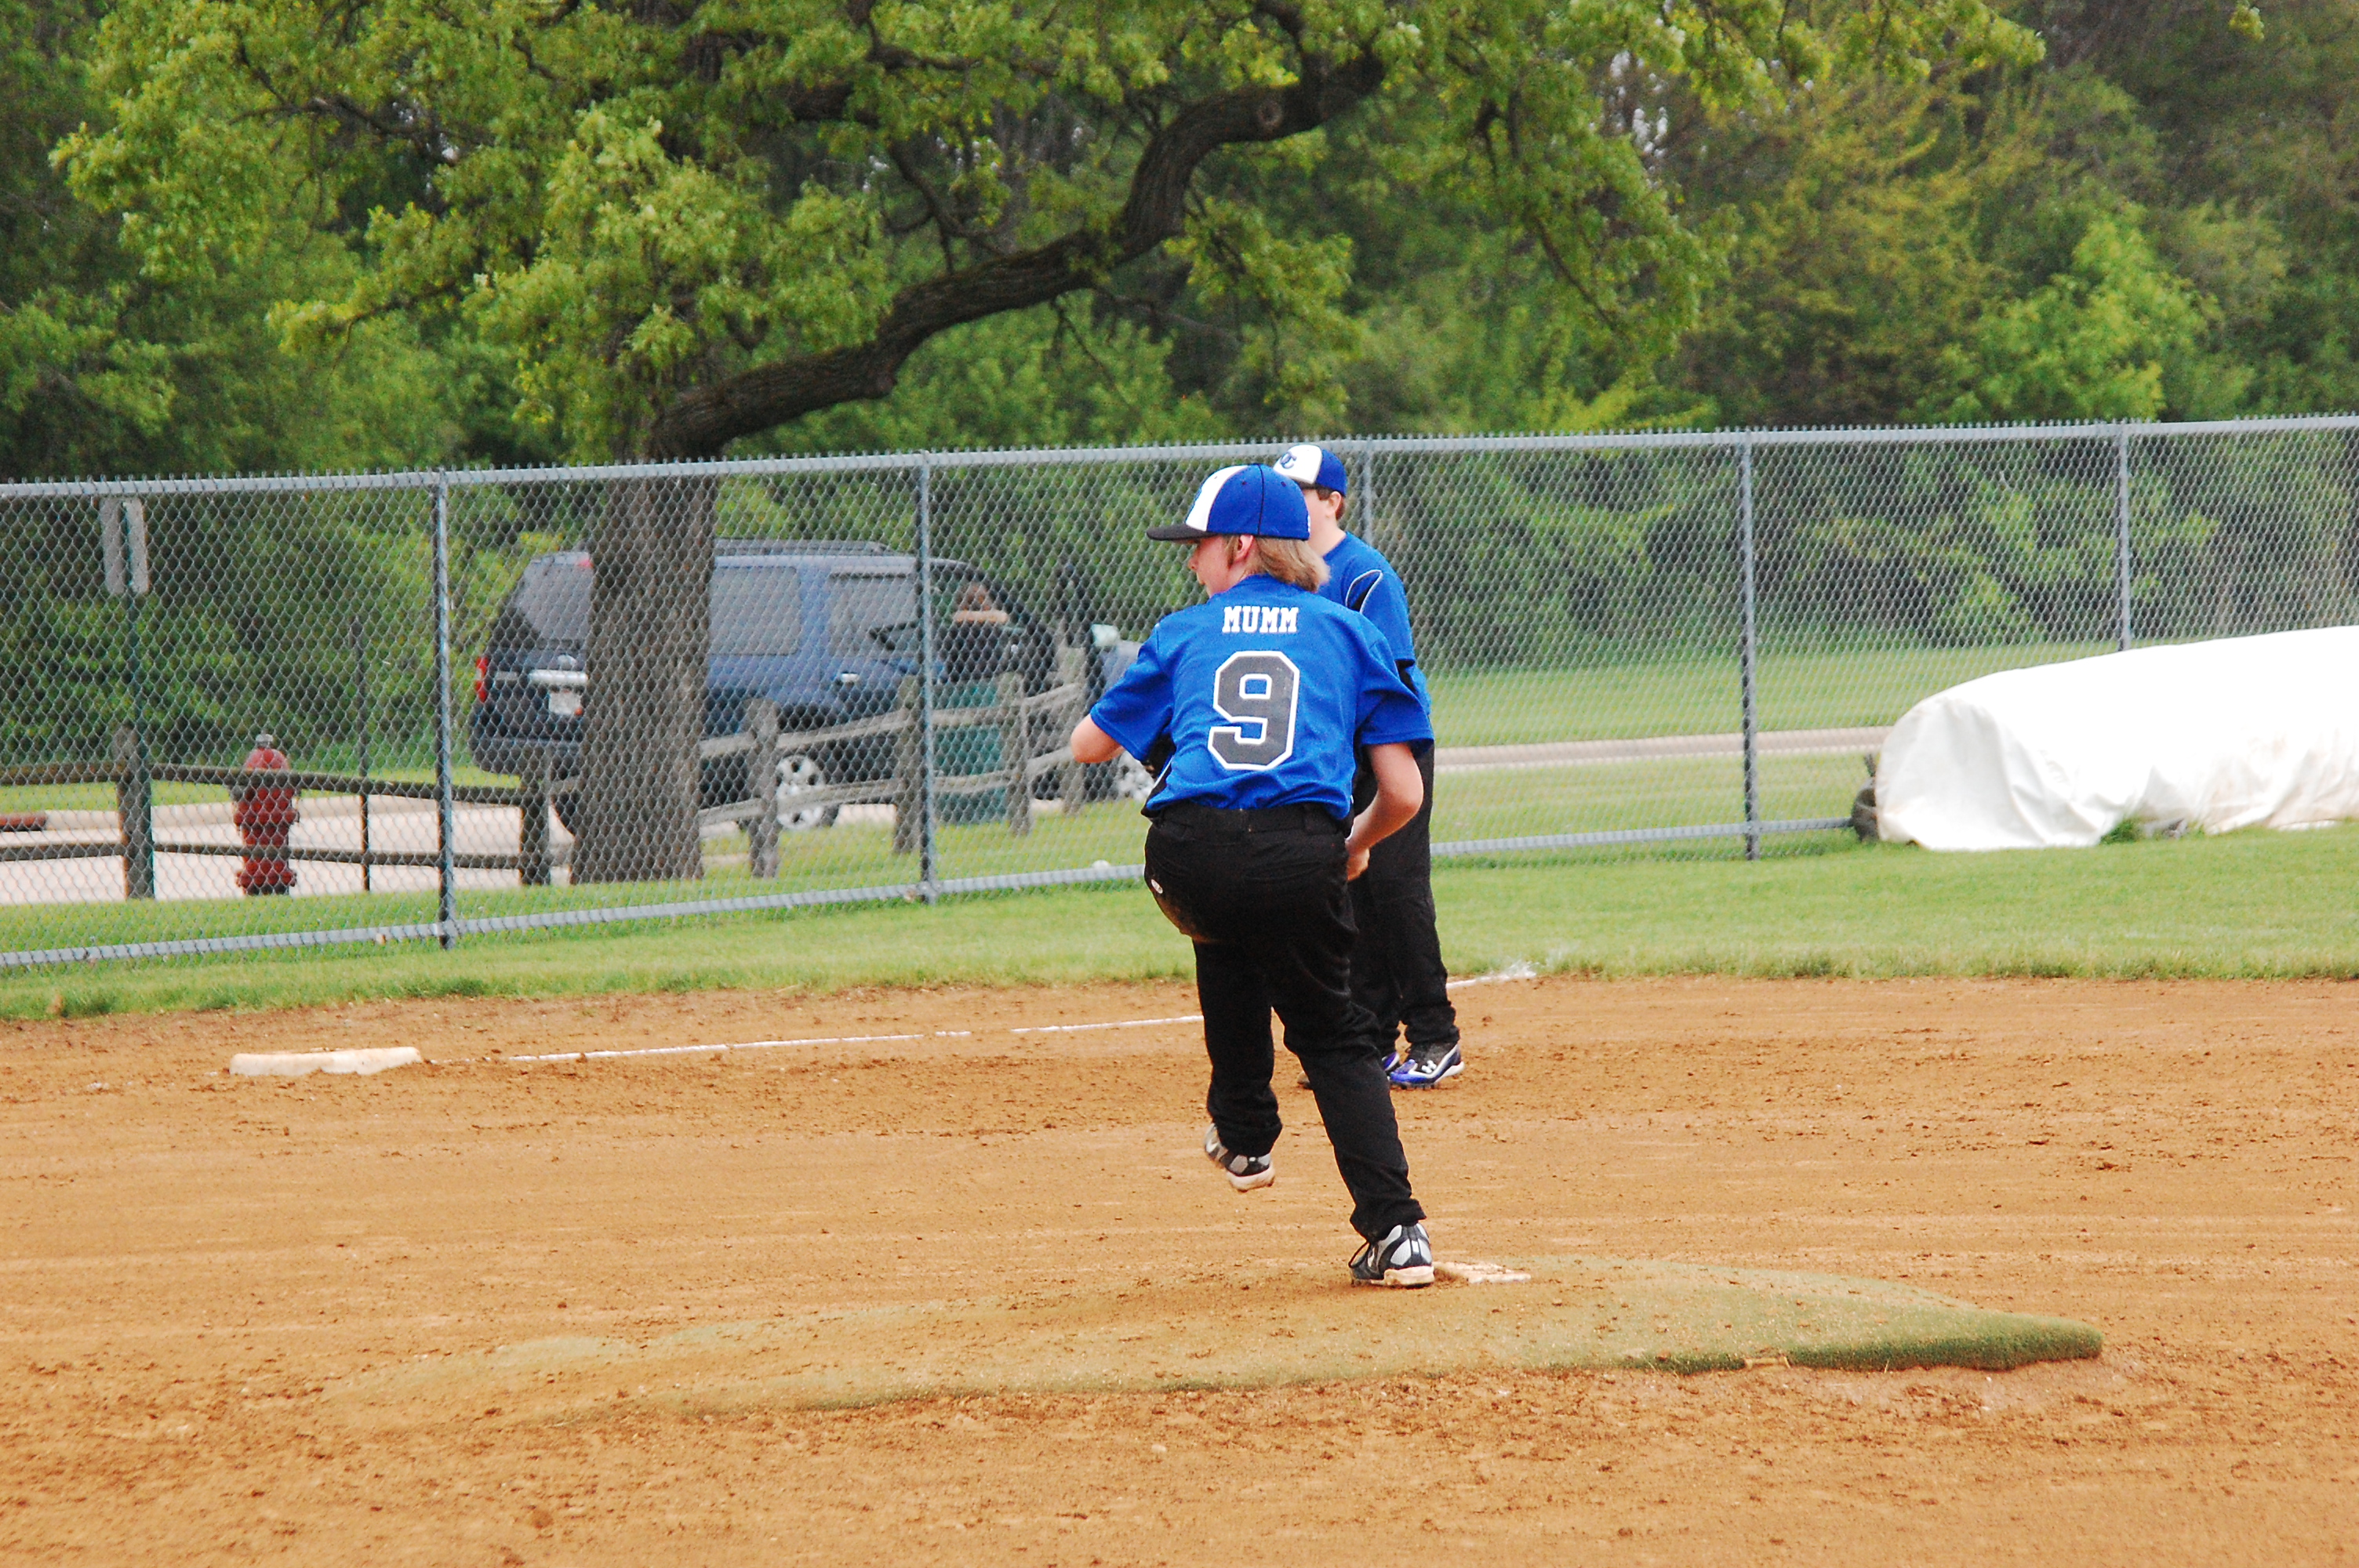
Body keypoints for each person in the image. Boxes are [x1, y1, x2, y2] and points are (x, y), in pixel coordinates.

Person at [1069, 463, 1440, 1287]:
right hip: (1299, 854)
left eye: (1199, 544)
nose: (1190, 559)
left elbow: (1087, 747)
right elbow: (1404, 794)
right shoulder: (1349, 632)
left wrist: (1175, 732)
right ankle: (1397, 1232)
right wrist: (1353, 843)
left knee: (1225, 928)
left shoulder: (1183, 631)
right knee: (1332, 1033)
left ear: (1241, 545)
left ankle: (1243, 1136)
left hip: (1187, 855)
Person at [1273, 443, 1464, 1088]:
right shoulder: (1285, 576)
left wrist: (1381, 756)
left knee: (1396, 888)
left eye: (1300, 492)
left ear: (1332, 501)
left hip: (1390, 747)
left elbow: (1393, 677)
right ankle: (1372, 1040)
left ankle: (1435, 1036)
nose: (1290, 504)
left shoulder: (1364, 575)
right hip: (1332, 753)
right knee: (1350, 893)